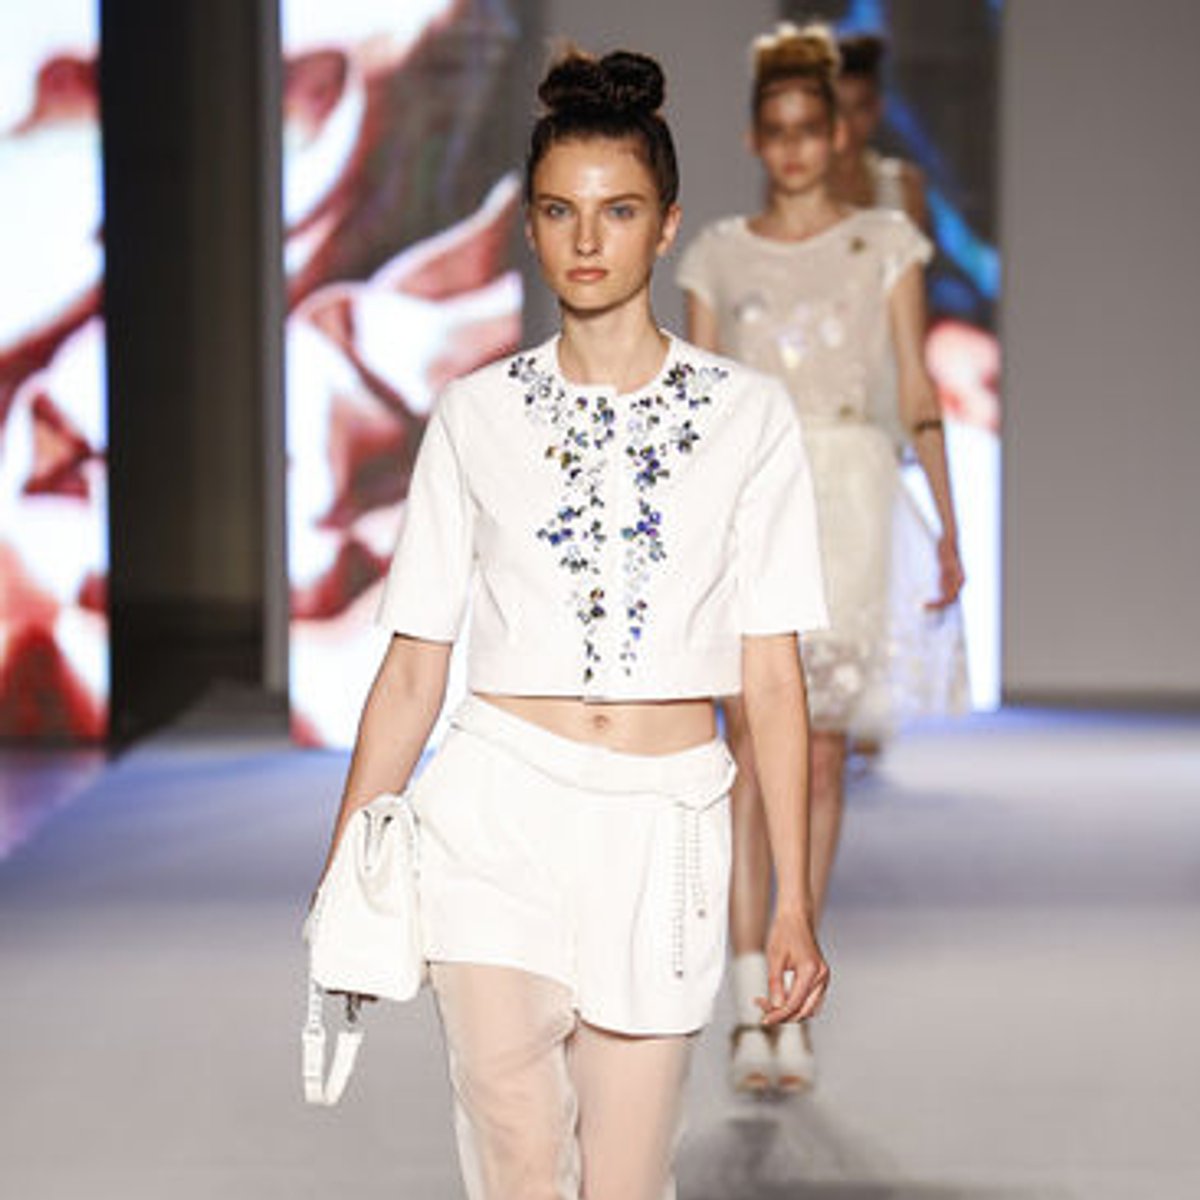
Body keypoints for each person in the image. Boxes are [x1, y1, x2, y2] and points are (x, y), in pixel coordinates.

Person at [312, 47, 831, 1200]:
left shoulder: (747, 419)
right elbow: (414, 666)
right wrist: (350, 865)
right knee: (518, 1153)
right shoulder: (474, 415)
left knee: (624, 1180)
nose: (588, 238)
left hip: (665, 826)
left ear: (667, 226)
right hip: (493, 813)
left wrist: (792, 900)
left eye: (620, 210)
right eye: (560, 210)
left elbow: (772, 676)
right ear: (532, 228)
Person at [677, 22, 964, 1095]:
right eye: (779, 129)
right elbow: (698, 412)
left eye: (813, 127)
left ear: (837, 133)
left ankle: (790, 996)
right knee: (752, 752)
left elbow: (917, 384)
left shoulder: (885, 244)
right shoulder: (716, 254)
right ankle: (747, 996)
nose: (797, 147)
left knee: (826, 754)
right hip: (753, 498)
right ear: (755, 139)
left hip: (850, 491)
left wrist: (947, 523)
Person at [829, 32, 928, 228]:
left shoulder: (905, 187)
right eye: (837, 108)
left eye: (859, 107)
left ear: (878, 108)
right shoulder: (797, 187)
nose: (847, 122)